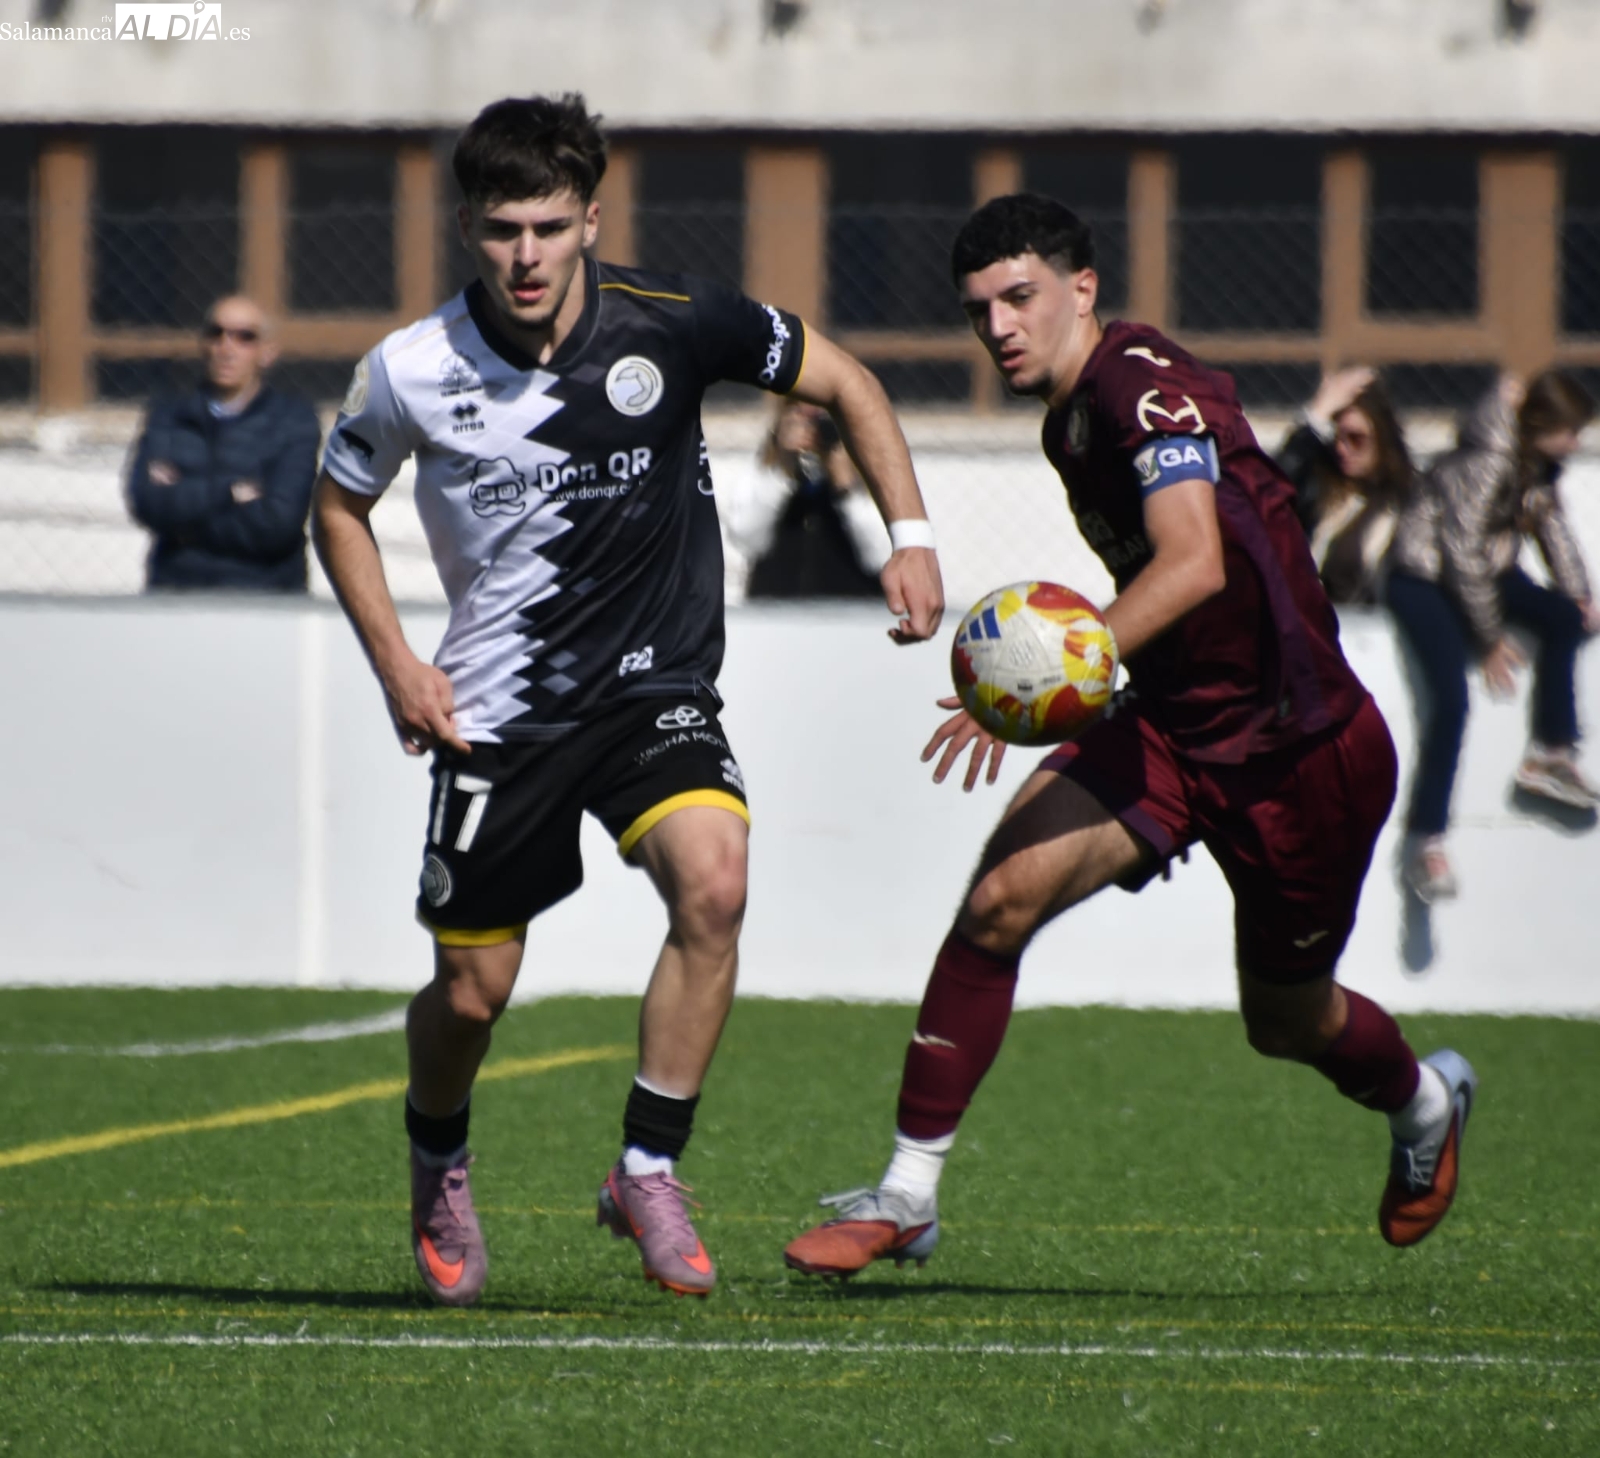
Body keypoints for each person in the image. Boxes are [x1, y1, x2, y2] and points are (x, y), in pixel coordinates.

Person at [312, 93, 943, 1305]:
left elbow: (850, 381)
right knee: (471, 994)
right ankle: (437, 1158)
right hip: (498, 711)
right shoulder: (409, 369)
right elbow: (338, 509)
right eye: (503, 229)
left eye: (550, 227)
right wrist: (396, 662)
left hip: (654, 686)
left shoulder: (676, 319)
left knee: (716, 881)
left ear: (591, 221)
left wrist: (910, 537)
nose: (527, 255)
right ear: (466, 227)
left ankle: (647, 1167)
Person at [782, 193, 1475, 1280]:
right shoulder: (1066, 419)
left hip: (1297, 752)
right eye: (978, 310)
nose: (998, 326)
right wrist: (1084, 681)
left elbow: (1193, 562)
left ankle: (1424, 1101)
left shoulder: (1140, 387)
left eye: (1020, 297)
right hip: (1168, 723)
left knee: (1285, 1022)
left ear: (1083, 289)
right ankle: (907, 1196)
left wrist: (1048, 670)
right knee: (998, 903)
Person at [1385, 371, 1598, 902]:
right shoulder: (1486, 461)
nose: (1576, 442)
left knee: (1563, 619)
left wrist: (1578, 596)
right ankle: (1426, 841)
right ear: (1541, 426)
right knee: (1451, 702)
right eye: (1570, 431)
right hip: (1424, 577)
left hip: (1484, 572)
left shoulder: (1537, 466)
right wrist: (1488, 638)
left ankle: (1550, 754)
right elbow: (1460, 553)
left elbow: (1553, 529)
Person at [126, 295, 321, 591]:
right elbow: (147, 504)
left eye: (245, 337)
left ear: (267, 353)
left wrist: (184, 528)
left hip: (263, 591)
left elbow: (278, 525)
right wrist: (230, 492)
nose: (226, 348)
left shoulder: (293, 421)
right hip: (178, 587)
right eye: (216, 334)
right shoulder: (169, 415)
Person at [1275, 367, 1410, 605]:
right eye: (1336, 437)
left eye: (1356, 438)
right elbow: (1269, 495)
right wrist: (1315, 419)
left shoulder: (1407, 502)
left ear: (1382, 438)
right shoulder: (1322, 493)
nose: (1342, 449)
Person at [743, 399, 883, 599]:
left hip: (851, 606)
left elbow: (882, 557)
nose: (813, 428)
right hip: (777, 606)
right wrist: (783, 472)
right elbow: (747, 539)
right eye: (799, 413)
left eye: (825, 415)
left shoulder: (872, 465)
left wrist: (846, 487)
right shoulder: (767, 467)